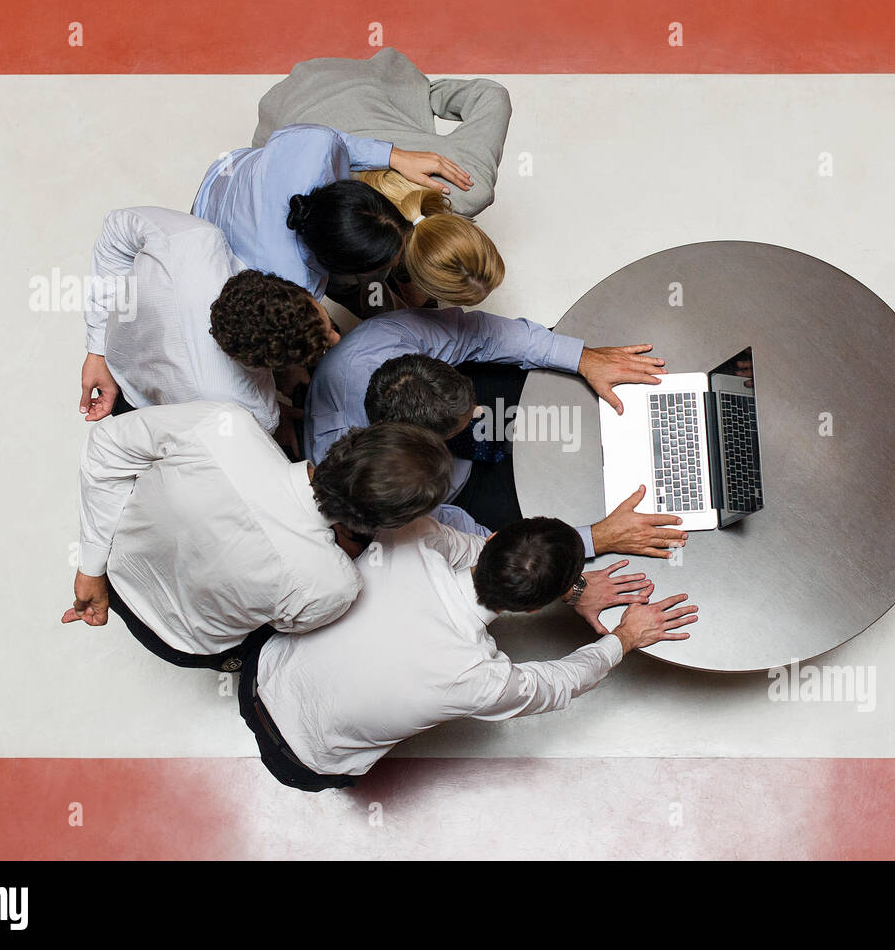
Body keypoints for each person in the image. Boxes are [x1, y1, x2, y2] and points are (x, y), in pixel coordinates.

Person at [239, 515, 697, 790]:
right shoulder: (479, 678)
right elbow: (560, 684)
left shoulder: (411, 537)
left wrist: (567, 586)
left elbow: (471, 550)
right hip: (304, 764)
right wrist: (625, 637)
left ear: (499, 535)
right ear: (536, 607)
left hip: (259, 674)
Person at [60, 401, 452, 671]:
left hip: (116, 569)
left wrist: (91, 568)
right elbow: (286, 628)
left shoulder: (223, 426)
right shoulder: (333, 587)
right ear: (380, 523)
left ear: (348, 442)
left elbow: (104, 447)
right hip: (180, 645)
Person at [307, 308, 686, 556]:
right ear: (419, 447)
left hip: (436, 423)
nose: (481, 413)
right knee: (543, 531)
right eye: (465, 419)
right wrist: (596, 539)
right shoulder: (378, 489)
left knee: (553, 379)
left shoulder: (383, 340)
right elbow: (476, 547)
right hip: (459, 498)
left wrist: (582, 358)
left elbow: (483, 336)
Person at [78, 207, 337, 455]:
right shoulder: (253, 414)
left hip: (123, 354)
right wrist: (98, 352)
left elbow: (115, 231)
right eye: (325, 344)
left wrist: (97, 350)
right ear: (270, 363)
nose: (337, 339)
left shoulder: (194, 240)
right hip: (143, 410)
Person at [192, 121, 490, 318]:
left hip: (227, 171)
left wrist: (394, 156)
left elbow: (338, 142)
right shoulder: (291, 288)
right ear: (339, 271)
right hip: (209, 229)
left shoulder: (317, 144)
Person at [253, 47, 511, 217]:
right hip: (291, 107)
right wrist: (423, 98)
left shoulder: (471, 187)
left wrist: (425, 97)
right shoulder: (331, 216)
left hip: (368, 86)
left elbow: (493, 96)